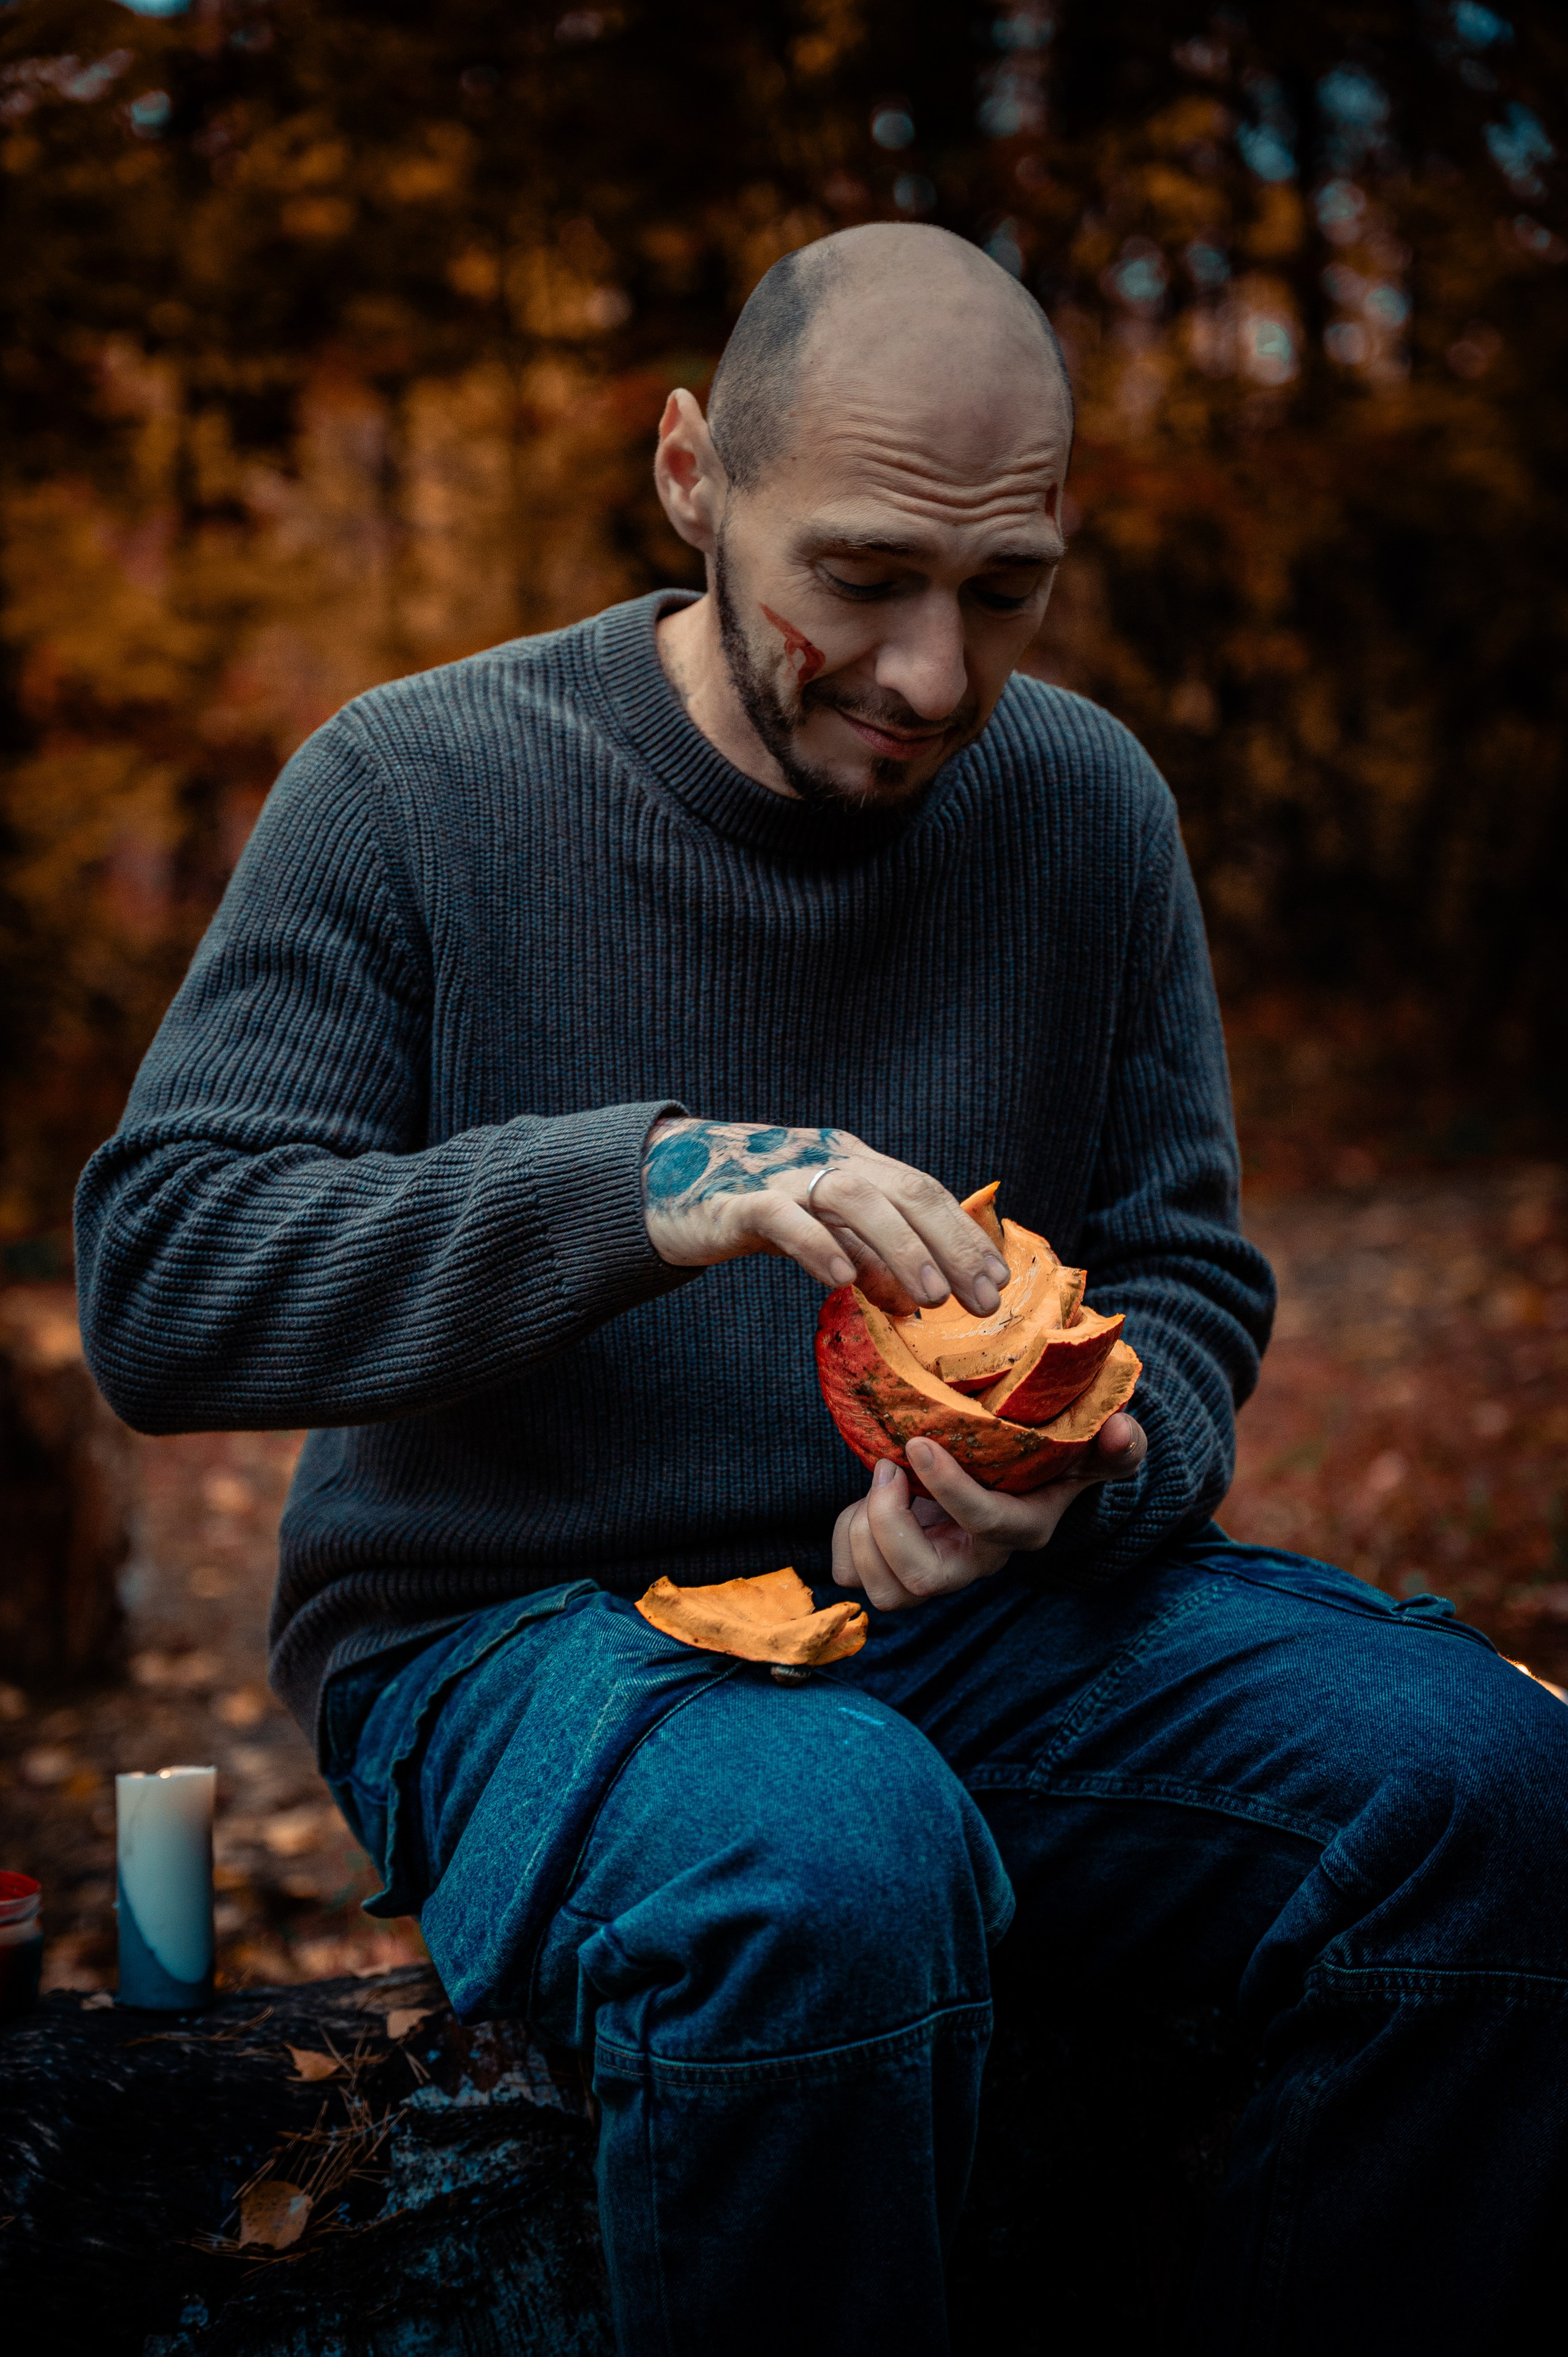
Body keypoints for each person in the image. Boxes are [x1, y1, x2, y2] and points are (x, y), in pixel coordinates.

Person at [76, 224, 1568, 2355]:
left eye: (1004, 589)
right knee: (829, 1865)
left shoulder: (1085, 810)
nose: (934, 678)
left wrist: (1078, 1485)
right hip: (513, 1633)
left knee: (1495, 1799)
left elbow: (1178, 1278)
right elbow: (162, 1279)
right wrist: (656, 1183)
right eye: (862, 576)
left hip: (990, 1635)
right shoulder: (413, 788)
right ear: (694, 475)